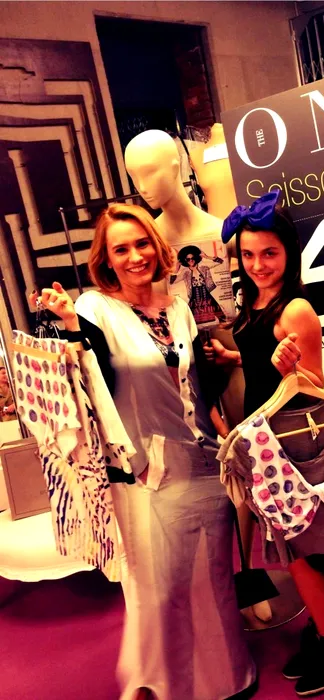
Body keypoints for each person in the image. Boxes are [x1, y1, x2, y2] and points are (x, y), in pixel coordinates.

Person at [31, 203, 256, 700]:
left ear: (157, 247)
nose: (134, 256)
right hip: (145, 471)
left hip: (202, 458)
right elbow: (86, 366)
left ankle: (226, 677)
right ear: (106, 259)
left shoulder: (178, 307)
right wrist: (67, 323)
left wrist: (224, 437)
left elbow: (196, 385)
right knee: (159, 588)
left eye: (141, 244)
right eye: (121, 249)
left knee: (213, 577)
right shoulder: (94, 309)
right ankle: (164, 685)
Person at [205, 190, 324, 697]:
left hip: (291, 448)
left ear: (289, 253)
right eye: (248, 254)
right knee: (292, 548)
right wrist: (237, 359)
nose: (258, 265)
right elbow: (260, 352)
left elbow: (314, 388)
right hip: (268, 444)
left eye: (269, 253)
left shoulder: (296, 308)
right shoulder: (256, 300)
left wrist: (289, 369)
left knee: (302, 551)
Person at [170, 245, 226, 325]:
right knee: (190, 318)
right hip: (194, 295)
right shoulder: (185, 272)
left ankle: (223, 326)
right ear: (185, 260)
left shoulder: (203, 267)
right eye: (188, 259)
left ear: (195, 258)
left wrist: (207, 257)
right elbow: (172, 282)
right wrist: (176, 268)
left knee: (219, 314)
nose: (191, 261)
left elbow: (220, 262)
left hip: (205, 293)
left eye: (192, 258)